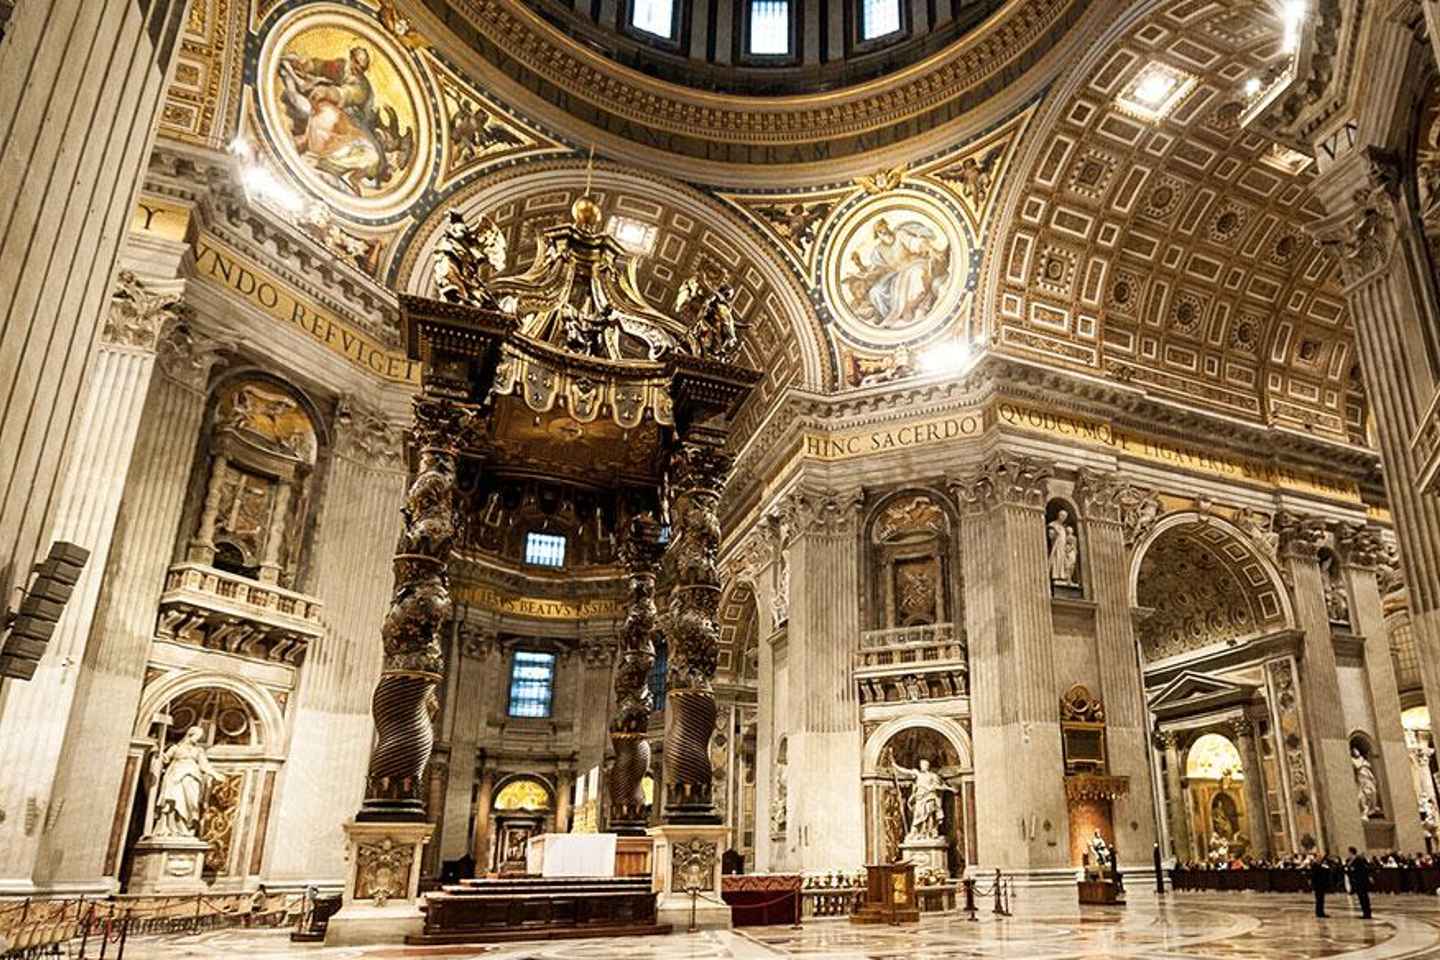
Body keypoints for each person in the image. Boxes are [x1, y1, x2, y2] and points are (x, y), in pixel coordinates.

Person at [1347, 847, 1373, 919]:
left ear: (1351, 852)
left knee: (1364, 898)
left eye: (1348, 852)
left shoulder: (1358, 859)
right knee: (1361, 898)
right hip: (1357, 882)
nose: (1348, 854)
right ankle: (1365, 913)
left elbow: (1363, 870)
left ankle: (1367, 914)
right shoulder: (1351, 860)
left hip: (1361, 881)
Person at [1310, 853, 1330, 918]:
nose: (1320, 858)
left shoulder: (1321, 864)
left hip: (1321, 884)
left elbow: (1327, 870)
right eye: (1319, 857)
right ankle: (1319, 913)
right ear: (1316, 858)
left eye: (1320, 857)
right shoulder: (1314, 865)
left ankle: (1321, 912)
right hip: (1317, 885)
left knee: (1321, 899)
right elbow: (1314, 876)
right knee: (1319, 899)